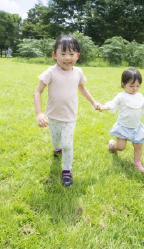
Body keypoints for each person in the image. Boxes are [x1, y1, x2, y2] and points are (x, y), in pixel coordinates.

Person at [34, 35, 100, 187]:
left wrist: (93, 102)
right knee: (56, 141)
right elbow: (38, 91)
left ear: (78, 55)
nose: (67, 58)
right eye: (62, 54)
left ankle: (66, 171)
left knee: (67, 145)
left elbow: (82, 88)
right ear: (54, 55)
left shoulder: (78, 72)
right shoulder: (51, 72)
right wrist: (39, 113)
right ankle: (56, 148)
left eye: (71, 54)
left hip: (70, 117)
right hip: (52, 117)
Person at [98, 68, 144, 172]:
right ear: (123, 84)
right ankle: (112, 145)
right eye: (131, 86)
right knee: (121, 147)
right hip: (123, 126)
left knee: (138, 146)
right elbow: (111, 104)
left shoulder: (140, 97)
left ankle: (136, 162)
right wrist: (103, 107)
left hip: (136, 128)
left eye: (137, 86)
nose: (135, 89)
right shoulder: (121, 96)